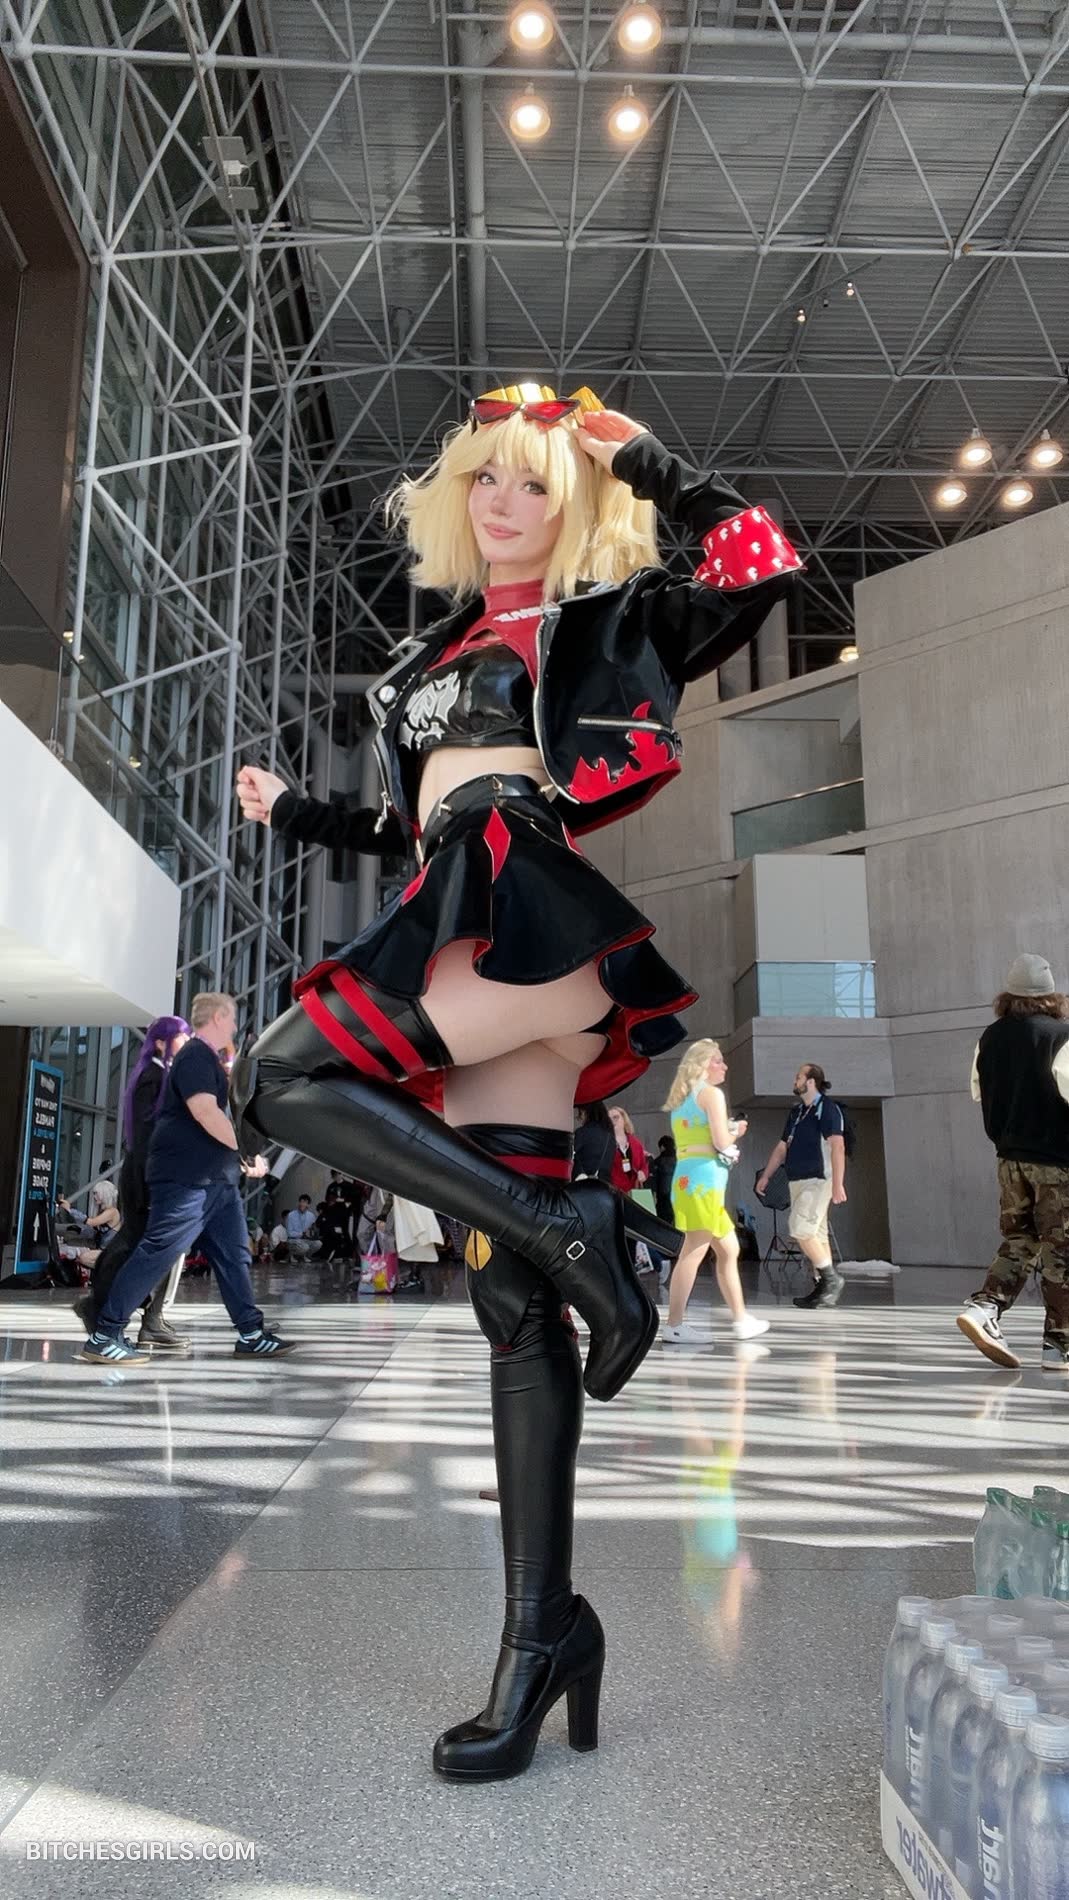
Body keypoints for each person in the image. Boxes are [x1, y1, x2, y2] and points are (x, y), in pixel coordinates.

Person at [230, 381, 801, 1779]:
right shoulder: (429, 652)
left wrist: (639, 456)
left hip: (526, 917)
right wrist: (296, 813)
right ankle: (543, 1635)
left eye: (536, 480)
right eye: (486, 475)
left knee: (280, 1075)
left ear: (574, 500)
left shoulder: (600, 619)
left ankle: (573, 1229)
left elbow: (758, 560)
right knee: (509, 1309)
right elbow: (410, 814)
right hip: (459, 914)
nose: (503, 500)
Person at [78, 993, 295, 1365]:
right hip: (187, 1180)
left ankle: (251, 1333)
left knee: (234, 1255)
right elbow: (204, 1111)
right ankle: (105, 1334)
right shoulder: (195, 1055)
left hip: (216, 1182)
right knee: (157, 1252)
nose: (234, 1026)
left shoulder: (206, 1059)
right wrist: (245, 1152)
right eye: (231, 1018)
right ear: (217, 1018)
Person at [957, 954, 1069, 1371]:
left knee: (1020, 1239)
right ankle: (1059, 1345)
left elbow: (978, 1092)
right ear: (1052, 995)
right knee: (1062, 1250)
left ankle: (985, 1308)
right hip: (1058, 1162)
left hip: (1009, 1160)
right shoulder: (1061, 1037)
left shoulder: (989, 1039)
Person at [73, 1015, 192, 1351]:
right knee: (138, 1246)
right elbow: (148, 1136)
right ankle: (105, 1310)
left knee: (143, 1244)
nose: (187, 1041)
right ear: (161, 1042)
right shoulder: (153, 1078)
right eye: (182, 1036)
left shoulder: (158, 1074)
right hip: (147, 1175)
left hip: (147, 1173)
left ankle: (130, 1314)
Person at [662, 1040, 769, 1345]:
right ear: (703, 1064)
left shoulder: (682, 1098)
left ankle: (741, 1319)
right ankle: (675, 1324)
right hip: (704, 1182)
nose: (724, 1066)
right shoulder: (711, 1094)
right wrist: (736, 1131)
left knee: (728, 1249)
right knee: (694, 1250)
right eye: (718, 1061)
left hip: (689, 1180)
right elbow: (721, 1141)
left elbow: (698, 1137)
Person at [756, 1062, 847, 1310]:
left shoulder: (827, 1109)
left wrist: (838, 1183)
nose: (794, 1081)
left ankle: (831, 1280)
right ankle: (823, 1290)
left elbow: (838, 1146)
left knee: (800, 1229)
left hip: (818, 1180)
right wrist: (766, 1175)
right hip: (797, 1181)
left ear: (811, 1082)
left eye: (798, 1077)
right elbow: (782, 1147)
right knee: (817, 1234)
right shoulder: (797, 1112)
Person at [607, 1105, 647, 1196]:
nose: (612, 1121)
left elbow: (644, 1165)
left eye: (616, 1117)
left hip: (634, 1192)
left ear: (624, 1120)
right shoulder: (605, 1143)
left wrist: (643, 1173)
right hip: (613, 1193)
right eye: (609, 1119)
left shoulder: (636, 1143)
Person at [573, 1101, 615, 1182]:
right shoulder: (610, 1136)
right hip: (603, 1184)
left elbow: (571, 1155)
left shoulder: (582, 1132)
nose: (580, 1118)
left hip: (583, 1184)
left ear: (585, 1112)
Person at [650, 1134, 677, 1226]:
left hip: (663, 1197)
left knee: (664, 1222)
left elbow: (653, 1182)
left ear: (662, 1147)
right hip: (679, 1196)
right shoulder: (680, 1161)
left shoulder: (657, 1162)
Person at [285, 1194, 321, 1262]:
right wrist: (302, 1234)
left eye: (305, 1202)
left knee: (318, 1244)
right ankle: (292, 1254)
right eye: (301, 1202)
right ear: (298, 1203)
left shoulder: (311, 1215)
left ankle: (304, 1255)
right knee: (305, 1247)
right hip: (293, 1240)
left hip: (305, 1240)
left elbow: (313, 1229)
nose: (302, 1204)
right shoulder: (291, 1215)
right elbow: (289, 1233)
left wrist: (312, 1233)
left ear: (308, 1205)